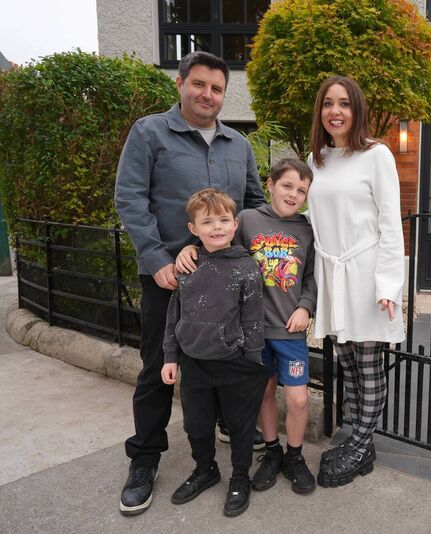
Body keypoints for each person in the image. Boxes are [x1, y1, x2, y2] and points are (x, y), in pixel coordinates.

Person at [114, 50, 265, 516]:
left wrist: (264, 259)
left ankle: (221, 425)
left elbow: (254, 203)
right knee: (159, 365)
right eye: (199, 84)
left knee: (229, 355)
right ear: (180, 83)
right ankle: (144, 458)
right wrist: (158, 258)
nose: (208, 94)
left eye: (217, 88)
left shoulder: (238, 145)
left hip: (227, 277)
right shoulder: (150, 132)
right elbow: (130, 197)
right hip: (170, 278)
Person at [176, 158, 318, 495]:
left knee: (298, 400)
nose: (293, 193)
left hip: (289, 329)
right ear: (270, 184)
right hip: (251, 331)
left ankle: (294, 457)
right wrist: (190, 247)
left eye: (301, 190)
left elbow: (312, 277)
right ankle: (271, 453)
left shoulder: (308, 229)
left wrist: (306, 307)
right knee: (264, 392)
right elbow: (217, 240)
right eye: (287, 185)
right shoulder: (249, 220)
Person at [306, 75, 405, 487]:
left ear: (356, 109)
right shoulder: (316, 160)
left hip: (365, 278)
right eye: (328, 103)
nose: (335, 111)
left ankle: (361, 442)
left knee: (368, 366)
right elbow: (310, 221)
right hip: (333, 277)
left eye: (344, 103)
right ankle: (362, 445)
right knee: (345, 362)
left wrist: (387, 286)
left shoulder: (377, 155)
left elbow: (390, 223)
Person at [161, 188, 267, 517]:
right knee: (197, 425)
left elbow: (253, 318)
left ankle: (239, 477)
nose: (217, 227)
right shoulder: (188, 265)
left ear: (235, 225)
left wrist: (252, 360)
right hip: (194, 362)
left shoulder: (247, 268)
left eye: (223, 220)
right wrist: (170, 356)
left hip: (234, 363)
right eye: (208, 222)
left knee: (240, 426)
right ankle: (205, 469)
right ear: (194, 229)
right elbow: (174, 314)